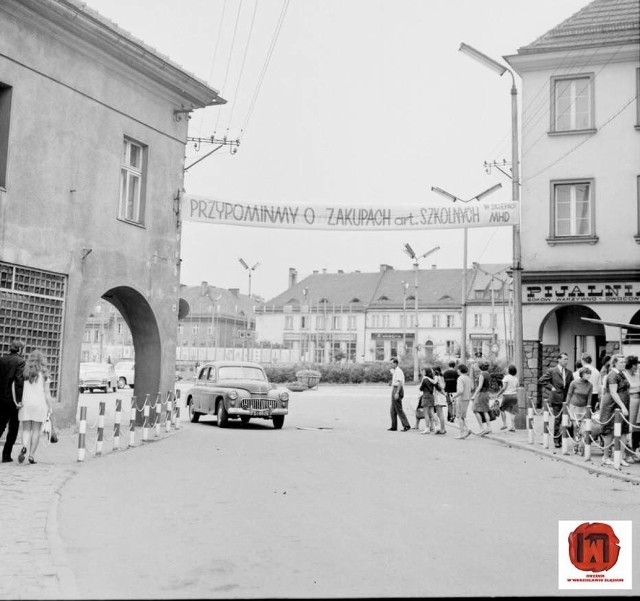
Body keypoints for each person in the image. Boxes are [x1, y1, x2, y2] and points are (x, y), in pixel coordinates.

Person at [17, 350, 52, 465]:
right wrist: (50, 407)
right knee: (36, 430)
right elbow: (47, 394)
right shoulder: (45, 374)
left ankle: (24, 446)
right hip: (39, 404)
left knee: (26, 429)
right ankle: (31, 455)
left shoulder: (25, 373)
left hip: (26, 404)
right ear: (42, 360)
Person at [599, 354, 630, 467]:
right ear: (615, 363)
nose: (624, 364)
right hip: (613, 406)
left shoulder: (622, 374)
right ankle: (606, 457)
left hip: (622, 405)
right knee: (610, 432)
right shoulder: (612, 375)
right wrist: (623, 406)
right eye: (621, 362)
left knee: (623, 432)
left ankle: (620, 457)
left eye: (624, 362)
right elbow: (613, 392)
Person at [538, 352, 574, 448]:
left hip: (566, 399)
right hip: (556, 398)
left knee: (565, 419)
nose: (566, 361)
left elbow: (571, 386)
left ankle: (563, 438)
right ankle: (557, 440)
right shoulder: (552, 371)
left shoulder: (569, 372)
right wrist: (551, 387)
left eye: (567, 359)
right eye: (564, 359)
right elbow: (541, 380)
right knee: (558, 419)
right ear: (559, 360)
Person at [0, 340, 26, 463]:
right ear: (20, 349)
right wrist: (19, 401)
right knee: (13, 428)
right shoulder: (20, 361)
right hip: (13, 399)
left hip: (1, 398)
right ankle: (6, 455)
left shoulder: (2, 359)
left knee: (0, 425)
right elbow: (19, 382)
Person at [566, 367, 593, 454]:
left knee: (583, 427)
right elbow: (569, 394)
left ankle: (582, 443)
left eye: (589, 374)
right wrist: (567, 404)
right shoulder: (574, 383)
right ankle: (575, 443)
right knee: (575, 426)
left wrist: (588, 407)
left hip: (584, 407)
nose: (588, 376)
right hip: (574, 407)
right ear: (582, 374)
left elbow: (589, 397)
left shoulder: (590, 385)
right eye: (586, 374)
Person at [623, 355, 640, 458]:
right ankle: (626, 452)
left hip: (638, 402)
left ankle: (633, 449)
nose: (636, 367)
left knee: (636, 428)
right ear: (630, 365)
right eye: (635, 365)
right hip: (629, 401)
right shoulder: (624, 375)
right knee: (628, 427)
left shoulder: (638, 375)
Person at [471, 361, 493, 435]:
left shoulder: (482, 374)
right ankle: (489, 427)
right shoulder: (487, 374)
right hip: (487, 393)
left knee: (475, 410)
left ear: (480, 367)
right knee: (485, 410)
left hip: (482, 394)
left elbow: (480, 386)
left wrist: (474, 395)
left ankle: (482, 428)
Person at [388, 358, 410, 432]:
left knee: (399, 408)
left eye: (391, 363)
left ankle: (406, 425)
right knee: (393, 410)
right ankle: (394, 426)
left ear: (395, 363)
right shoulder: (395, 371)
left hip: (397, 389)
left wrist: (397, 392)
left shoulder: (398, 371)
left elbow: (400, 382)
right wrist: (392, 382)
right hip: (394, 387)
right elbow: (396, 381)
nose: (390, 365)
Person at [452, 364, 472, 439]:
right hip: (467, 398)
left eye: (457, 369)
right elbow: (472, 387)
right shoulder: (468, 378)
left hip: (461, 398)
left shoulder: (460, 378)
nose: (457, 370)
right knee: (463, 416)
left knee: (459, 416)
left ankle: (462, 433)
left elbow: (460, 390)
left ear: (460, 370)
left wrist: (454, 396)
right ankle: (467, 429)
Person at [496, 364, 518, 432]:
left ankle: (505, 424)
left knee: (502, 409)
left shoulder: (506, 377)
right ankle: (513, 426)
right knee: (512, 411)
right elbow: (517, 387)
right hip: (514, 395)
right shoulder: (516, 378)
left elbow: (504, 388)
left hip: (507, 395)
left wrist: (499, 393)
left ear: (509, 370)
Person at [418, 367, 438, 434]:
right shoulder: (432, 379)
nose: (422, 372)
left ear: (426, 372)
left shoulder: (425, 379)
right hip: (431, 396)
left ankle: (427, 428)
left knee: (426, 413)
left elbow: (421, 388)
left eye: (423, 371)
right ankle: (437, 427)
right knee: (432, 412)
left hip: (425, 396)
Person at [432, 366, 447, 434]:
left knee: (440, 413)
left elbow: (437, 386)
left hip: (438, 396)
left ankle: (442, 429)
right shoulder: (442, 377)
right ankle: (442, 428)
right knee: (439, 413)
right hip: (441, 396)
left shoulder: (436, 377)